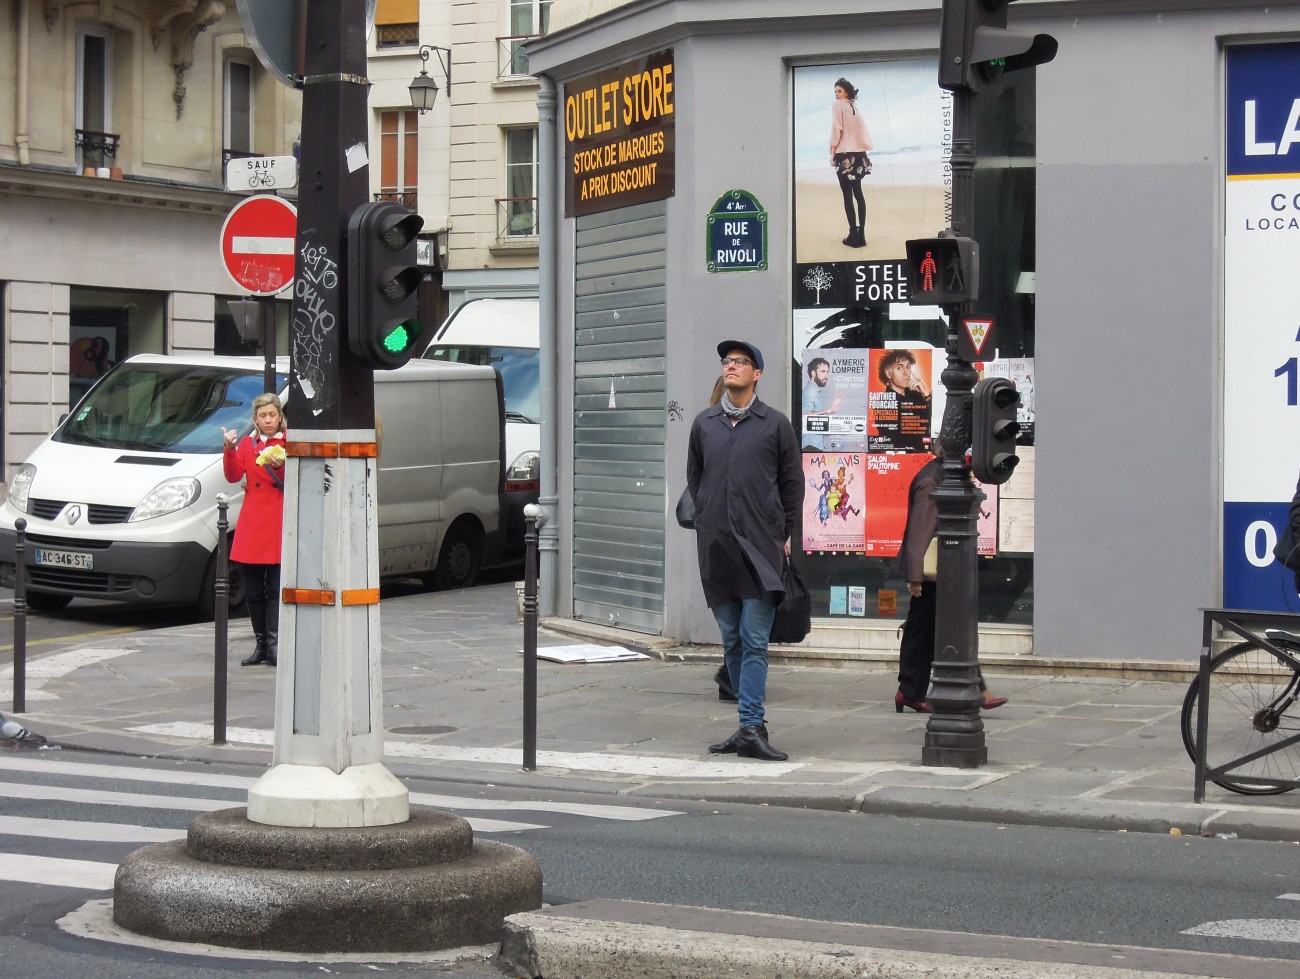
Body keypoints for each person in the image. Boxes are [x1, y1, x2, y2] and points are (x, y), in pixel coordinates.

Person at [688, 341, 803, 760]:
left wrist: (781, 532)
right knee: (733, 641)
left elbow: (793, 487)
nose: (731, 367)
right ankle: (746, 725)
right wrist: (707, 519)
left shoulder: (775, 425)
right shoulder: (704, 424)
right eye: (727, 361)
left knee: (755, 640)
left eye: (740, 362)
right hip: (717, 548)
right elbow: (696, 481)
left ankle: (752, 724)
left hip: (760, 550)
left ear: (757, 374)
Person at [894, 441, 1007, 712]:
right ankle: (916, 691)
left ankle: (911, 691)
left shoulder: (942, 475)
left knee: (929, 631)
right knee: (939, 629)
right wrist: (916, 576)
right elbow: (921, 530)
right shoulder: (932, 481)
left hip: (941, 569)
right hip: (932, 572)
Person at [222, 393, 288, 667]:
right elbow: (234, 475)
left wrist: (281, 466)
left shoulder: (290, 443)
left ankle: (274, 644)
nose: (268, 419)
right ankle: (260, 644)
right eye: (263, 415)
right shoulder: (248, 445)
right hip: (253, 522)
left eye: (272, 414)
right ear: (256, 419)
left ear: (280, 416)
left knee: (274, 588)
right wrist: (228, 448)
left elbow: (299, 477)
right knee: (252, 590)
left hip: (278, 521)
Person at [829, 77, 873, 248]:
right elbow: (862, 131)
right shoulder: (853, 107)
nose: (836, 95)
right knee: (859, 193)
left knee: (847, 195)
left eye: (839, 91)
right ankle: (861, 234)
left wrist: (832, 152)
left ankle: (853, 235)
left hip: (844, 154)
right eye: (835, 92)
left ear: (846, 91)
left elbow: (836, 130)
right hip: (859, 154)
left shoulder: (837, 105)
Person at [877, 349, 932, 452]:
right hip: (898, 458)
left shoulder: (917, 396)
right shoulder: (883, 402)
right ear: (889, 373)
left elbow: (935, 422)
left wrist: (926, 394)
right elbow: (897, 436)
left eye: (908, 367)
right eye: (899, 368)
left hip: (922, 456)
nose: (906, 373)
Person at [801, 357, 844, 451]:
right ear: (813, 373)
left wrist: (830, 411)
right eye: (823, 371)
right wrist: (829, 410)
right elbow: (806, 415)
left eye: (827, 372)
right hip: (811, 446)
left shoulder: (815, 390)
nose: (826, 376)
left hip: (814, 445)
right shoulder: (811, 391)